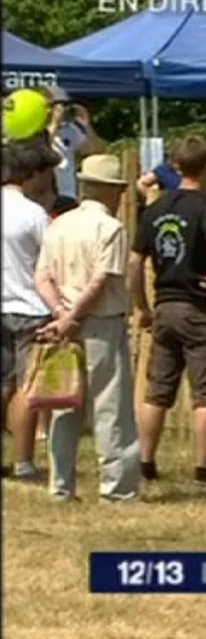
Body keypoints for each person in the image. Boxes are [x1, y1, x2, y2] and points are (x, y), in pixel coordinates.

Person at [33, 154, 140, 503]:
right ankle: (117, 487)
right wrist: (74, 315)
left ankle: (61, 484)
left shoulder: (59, 224)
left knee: (65, 404)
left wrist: (60, 312)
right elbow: (100, 280)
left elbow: (42, 277)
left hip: (64, 320)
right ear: (112, 191)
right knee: (111, 406)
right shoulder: (110, 228)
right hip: (100, 322)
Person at [128, 135, 206, 487]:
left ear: (174, 166)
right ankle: (202, 471)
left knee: (158, 390)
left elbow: (134, 260)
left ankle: (145, 461)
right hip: (199, 306)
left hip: (165, 305)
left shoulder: (155, 208)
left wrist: (141, 305)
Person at [1, 135, 60, 481]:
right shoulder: (34, 214)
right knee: (26, 387)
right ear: (32, 174)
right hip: (28, 306)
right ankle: (23, 461)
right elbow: (52, 260)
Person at [42, 86, 106, 201]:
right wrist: (55, 123)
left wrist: (87, 125)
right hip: (46, 194)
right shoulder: (38, 129)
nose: (64, 110)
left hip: (68, 194)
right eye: (61, 106)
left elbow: (96, 150)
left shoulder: (70, 129)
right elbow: (42, 147)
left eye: (67, 105)